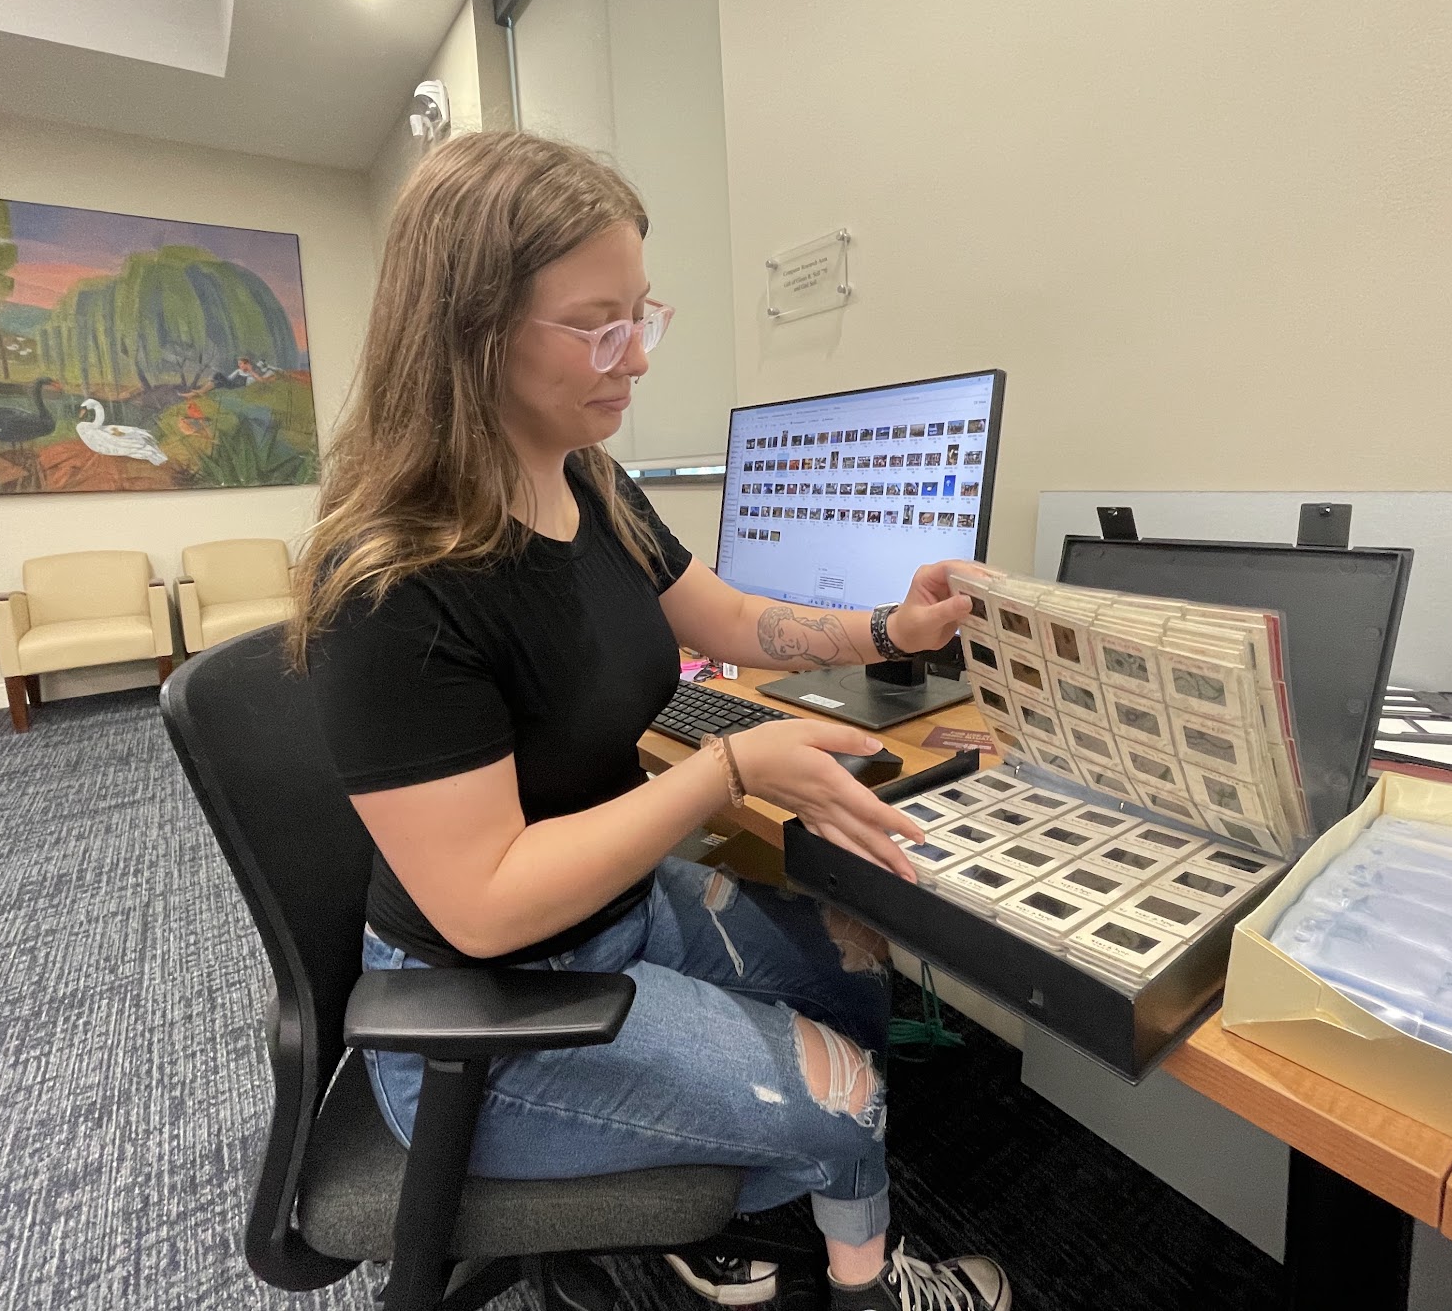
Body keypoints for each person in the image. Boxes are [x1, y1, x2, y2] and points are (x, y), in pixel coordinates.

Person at [289, 131, 1008, 1311]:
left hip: (612, 910)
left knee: (855, 986)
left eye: (643, 316)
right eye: (595, 325)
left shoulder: (586, 476)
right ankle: (869, 1288)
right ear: (471, 327)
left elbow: (720, 609)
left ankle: (722, 1206)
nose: (633, 361)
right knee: (851, 1095)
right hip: (486, 1007)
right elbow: (486, 899)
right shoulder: (393, 585)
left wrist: (888, 631)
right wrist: (725, 770)